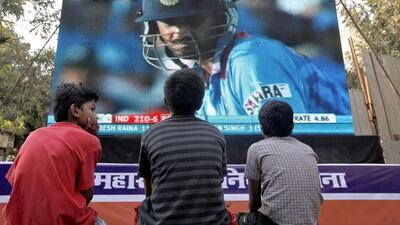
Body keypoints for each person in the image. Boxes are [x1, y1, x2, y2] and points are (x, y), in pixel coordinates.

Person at [135, 0, 351, 116]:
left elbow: (288, 146)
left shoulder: (250, 60)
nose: (179, 32)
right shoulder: (204, 75)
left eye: (191, 20)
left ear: (220, 16)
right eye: (167, 22)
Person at [2, 83, 107, 225]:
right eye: (92, 109)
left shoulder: (33, 135)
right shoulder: (89, 141)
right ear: (75, 110)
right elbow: (86, 196)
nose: (96, 116)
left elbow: (16, 181)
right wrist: (89, 137)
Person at [137, 68, 229, 225]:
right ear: (200, 103)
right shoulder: (216, 134)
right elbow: (216, 182)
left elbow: (149, 192)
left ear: (166, 102)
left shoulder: (150, 135)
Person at [238, 101, 323, 225]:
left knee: (240, 219)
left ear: (261, 127)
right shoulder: (308, 150)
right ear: (292, 125)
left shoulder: (256, 149)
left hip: (273, 222)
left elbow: (254, 204)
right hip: (311, 222)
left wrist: (250, 217)